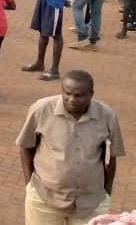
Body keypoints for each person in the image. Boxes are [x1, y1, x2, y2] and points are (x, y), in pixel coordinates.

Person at [17, 70, 124, 224]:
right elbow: (26, 146)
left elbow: (110, 157)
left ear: (91, 94)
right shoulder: (41, 109)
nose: (72, 99)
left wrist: (107, 192)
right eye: (67, 93)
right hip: (45, 199)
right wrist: (29, 185)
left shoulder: (107, 116)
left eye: (79, 95)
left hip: (91, 203)